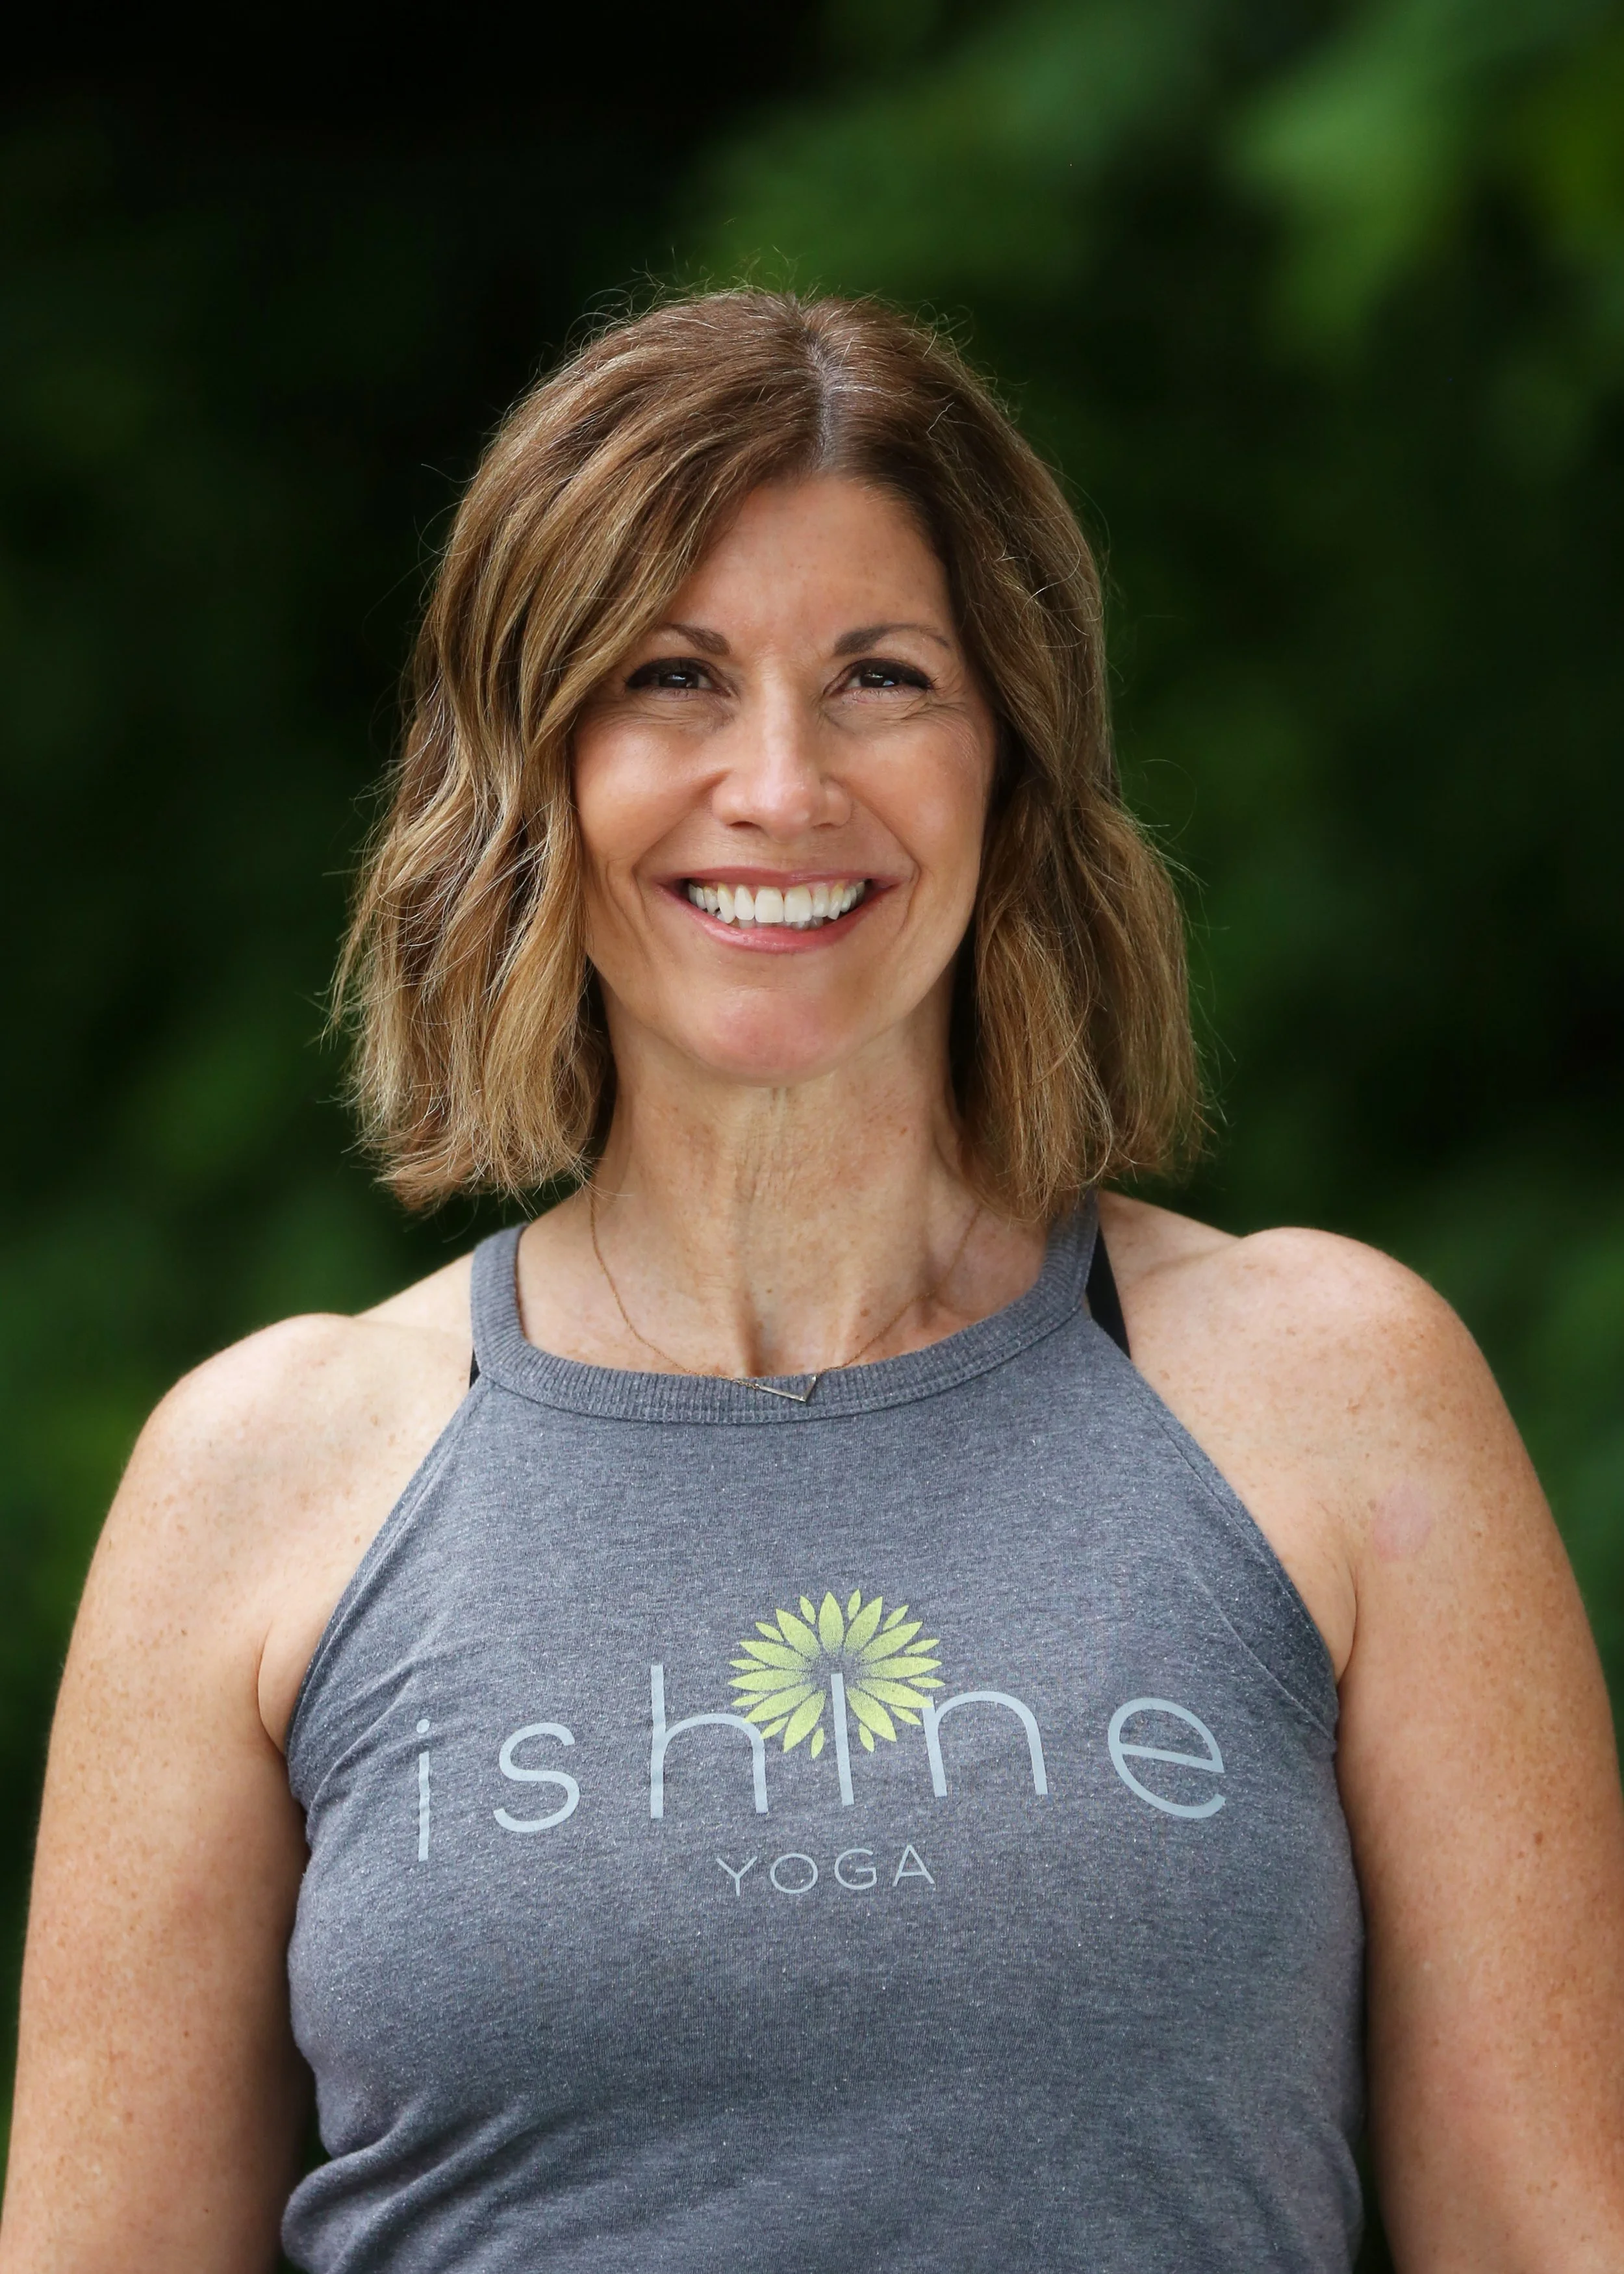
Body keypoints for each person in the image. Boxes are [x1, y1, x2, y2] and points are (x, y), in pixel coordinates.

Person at [3, 290, 1621, 2274]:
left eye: (879, 678)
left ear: (1006, 763)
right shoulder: (260, 1476)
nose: (780, 785)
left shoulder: (1330, 1389)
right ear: (529, 769)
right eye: (675, 677)